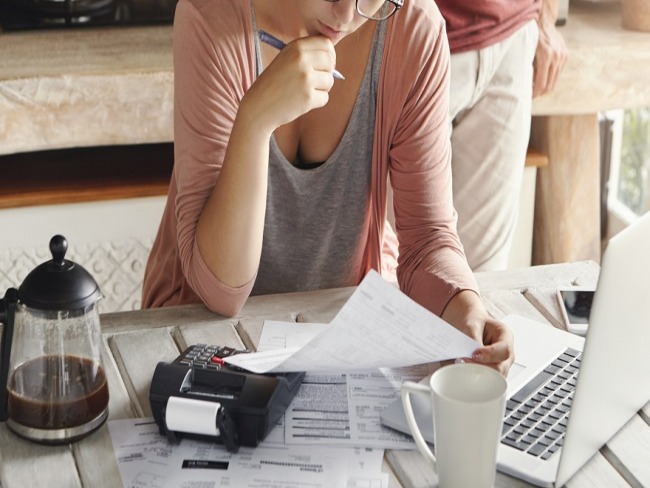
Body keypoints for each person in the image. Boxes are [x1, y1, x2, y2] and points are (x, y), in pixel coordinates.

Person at [142, 0, 514, 375]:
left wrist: (467, 308)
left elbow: (427, 239)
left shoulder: (413, 28)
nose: (345, 14)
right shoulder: (210, 15)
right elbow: (220, 289)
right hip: (197, 331)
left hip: (340, 331)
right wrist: (255, 121)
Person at [437, 0, 568, 271]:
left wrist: (546, 17)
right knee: (396, 270)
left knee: (486, 278)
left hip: (513, 37)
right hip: (416, 37)